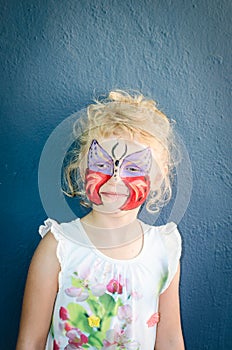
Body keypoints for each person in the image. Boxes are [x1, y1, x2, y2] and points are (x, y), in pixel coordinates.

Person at [16, 90, 185, 349]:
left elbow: (171, 339)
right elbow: (30, 341)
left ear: (157, 179)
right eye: (103, 165)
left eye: (132, 168)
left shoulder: (163, 249)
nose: (115, 180)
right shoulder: (59, 245)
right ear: (83, 171)